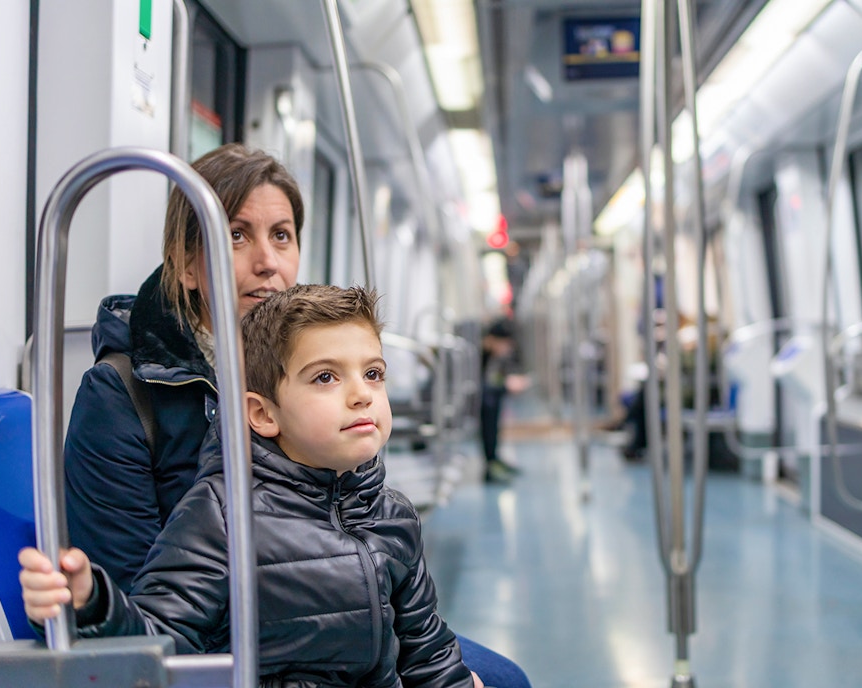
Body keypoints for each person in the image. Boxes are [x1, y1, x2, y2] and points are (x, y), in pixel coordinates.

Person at [62, 143, 530, 688]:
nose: (268, 261)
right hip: (230, 640)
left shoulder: (315, 371)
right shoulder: (123, 394)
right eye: (236, 235)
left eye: (282, 235)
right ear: (187, 264)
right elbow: (135, 594)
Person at [21, 284, 479, 687]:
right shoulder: (223, 514)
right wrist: (92, 604)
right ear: (262, 414)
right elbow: (161, 639)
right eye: (325, 377)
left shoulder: (393, 515)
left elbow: (427, 653)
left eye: (373, 373)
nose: (362, 394)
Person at [480, 317, 528, 484]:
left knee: (494, 402)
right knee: (489, 404)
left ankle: (493, 458)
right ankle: (491, 462)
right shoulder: (476, 354)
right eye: (505, 344)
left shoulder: (490, 355)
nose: (507, 349)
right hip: (465, 402)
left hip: (478, 399)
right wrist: (505, 386)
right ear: (493, 340)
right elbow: (478, 387)